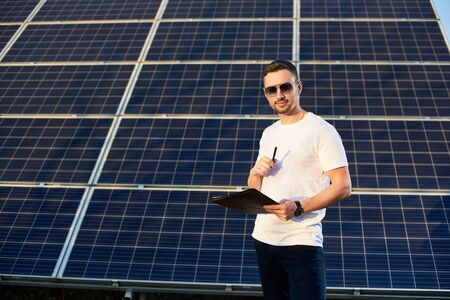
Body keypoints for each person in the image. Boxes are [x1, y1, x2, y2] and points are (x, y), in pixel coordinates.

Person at [247, 60, 352, 300]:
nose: (279, 95)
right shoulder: (269, 132)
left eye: (285, 87)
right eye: (271, 90)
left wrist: (298, 208)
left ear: (299, 87)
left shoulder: (321, 130)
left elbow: (343, 186)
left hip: (301, 241)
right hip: (264, 238)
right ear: (266, 94)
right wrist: (254, 175)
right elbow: (257, 189)